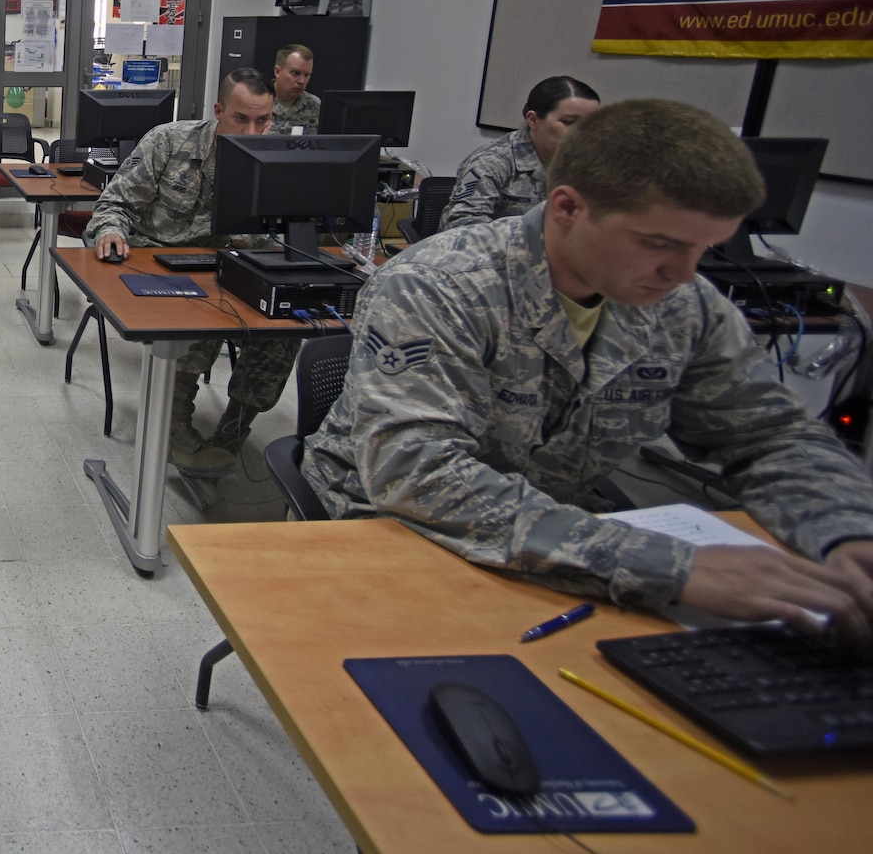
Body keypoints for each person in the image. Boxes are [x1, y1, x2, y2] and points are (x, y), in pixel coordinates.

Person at [301, 99, 873, 635]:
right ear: (569, 208)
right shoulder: (441, 285)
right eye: (659, 243)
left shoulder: (684, 304)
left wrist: (846, 531)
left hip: (559, 525)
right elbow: (417, 473)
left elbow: (768, 435)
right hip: (390, 524)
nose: (682, 273)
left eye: (704, 249)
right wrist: (663, 566)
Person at [86, 68, 298, 475]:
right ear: (219, 110)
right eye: (240, 118)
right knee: (203, 313)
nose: (252, 131)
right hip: (159, 263)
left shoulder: (277, 156)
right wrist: (111, 230)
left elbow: (286, 227)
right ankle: (174, 425)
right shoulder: (169, 141)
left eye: (263, 120)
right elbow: (115, 203)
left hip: (231, 266)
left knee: (285, 325)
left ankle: (235, 428)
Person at [441, 74, 600, 230]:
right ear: (532, 120)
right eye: (569, 122)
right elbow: (461, 226)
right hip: (492, 253)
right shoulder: (492, 161)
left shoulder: (587, 163)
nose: (582, 132)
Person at [269, 44, 319, 134]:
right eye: (296, 73)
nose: (302, 81)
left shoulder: (314, 105)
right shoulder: (258, 102)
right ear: (277, 71)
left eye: (306, 75)